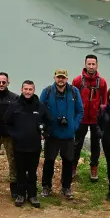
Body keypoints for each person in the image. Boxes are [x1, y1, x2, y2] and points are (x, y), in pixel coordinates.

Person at [39, 68, 84, 199]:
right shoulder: (47, 92)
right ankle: (46, 187)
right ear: (54, 77)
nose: (60, 80)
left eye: (63, 77)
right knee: (49, 161)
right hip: (52, 134)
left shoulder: (74, 92)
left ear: (67, 78)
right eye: (58, 77)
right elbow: (40, 111)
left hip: (68, 135)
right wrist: (44, 128)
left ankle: (66, 187)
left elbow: (80, 111)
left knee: (68, 161)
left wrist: (73, 126)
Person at [70, 54, 108, 184]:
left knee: (95, 145)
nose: (91, 66)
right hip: (81, 118)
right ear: (85, 64)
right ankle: (73, 167)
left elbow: (104, 102)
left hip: (96, 119)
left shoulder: (101, 82)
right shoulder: (77, 81)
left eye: (93, 64)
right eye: (89, 64)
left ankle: (94, 167)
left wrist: (103, 119)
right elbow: (72, 101)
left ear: (97, 65)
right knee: (77, 144)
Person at [6, 80, 44, 207]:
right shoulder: (14, 105)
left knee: (32, 171)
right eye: (25, 89)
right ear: (21, 90)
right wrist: (15, 135)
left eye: (30, 89)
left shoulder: (40, 106)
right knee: (20, 171)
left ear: (34, 90)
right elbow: (6, 123)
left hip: (34, 146)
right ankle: (21, 194)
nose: (28, 92)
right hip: (19, 146)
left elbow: (48, 122)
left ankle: (33, 195)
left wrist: (44, 132)